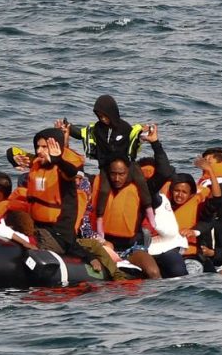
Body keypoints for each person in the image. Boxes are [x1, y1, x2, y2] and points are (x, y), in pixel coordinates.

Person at [57, 94, 156, 238]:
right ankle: (99, 220)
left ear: (112, 113)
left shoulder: (124, 127)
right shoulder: (96, 129)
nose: (103, 119)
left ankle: (149, 211)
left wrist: (144, 132)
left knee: (141, 181)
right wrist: (68, 127)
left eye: (105, 116)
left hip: (126, 163)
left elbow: (136, 136)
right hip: (107, 166)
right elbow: (81, 133)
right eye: (100, 116)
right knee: (103, 190)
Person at [26, 127, 119, 278]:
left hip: (58, 234)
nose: (39, 151)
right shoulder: (38, 167)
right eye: (38, 147)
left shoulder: (64, 172)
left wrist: (58, 160)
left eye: (44, 147)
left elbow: (70, 172)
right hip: (39, 227)